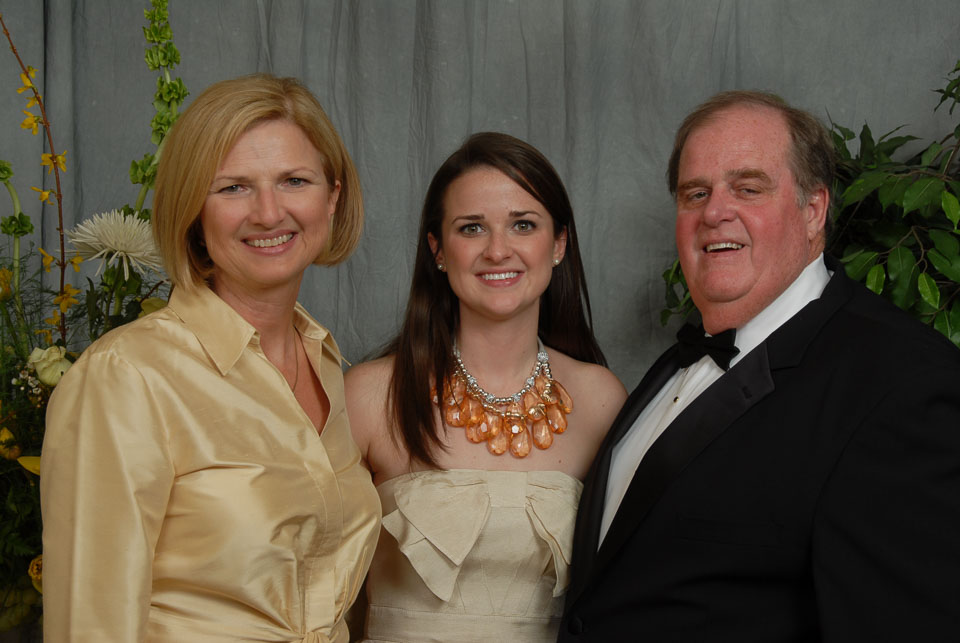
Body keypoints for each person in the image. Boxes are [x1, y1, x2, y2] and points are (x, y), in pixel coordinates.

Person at [560, 90, 960, 641]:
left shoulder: (902, 384)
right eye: (695, 193)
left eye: (748, 188)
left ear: (814, 209)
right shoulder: (675, 365)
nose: (714, 213)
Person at [41, 74, 380, 642]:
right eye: (233, 188)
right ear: (192, 209)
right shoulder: (126, 377)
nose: (268, 212)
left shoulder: (326, 364)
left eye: (294, 180)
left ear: (332, 197)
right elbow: (90, 625)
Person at [345, 132, 627, 642]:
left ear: (559, 244)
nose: (498, 250)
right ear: (438, 249)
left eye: (523, 224)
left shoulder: (600, 400)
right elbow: (310, 585)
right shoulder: (369, 395)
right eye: (471, 228)